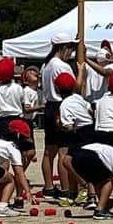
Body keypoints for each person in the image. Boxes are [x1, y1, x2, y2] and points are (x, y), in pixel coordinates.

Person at [40, 34, 77, 200]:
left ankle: (48, 187)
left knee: (49, 151)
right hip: (61, 105)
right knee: (64, 150)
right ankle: (66, 189)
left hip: (49, 106)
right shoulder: (62, 66)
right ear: (63, 48)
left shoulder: (46, 65)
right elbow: (75, 87)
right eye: (71, 48)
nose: (72, 52)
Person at [69, 139, 113, 218]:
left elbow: (66, 161)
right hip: (89, 156)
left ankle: (102, 204)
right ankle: (100, 210)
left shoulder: (111, 152)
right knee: (108, 182)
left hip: (77, 155)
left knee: (98, 180)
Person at [56, 70, 94, 205]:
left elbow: (68, 127)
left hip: (81, 133)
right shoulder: (78, 98)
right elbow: (90, 110)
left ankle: (84, 186)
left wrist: (60, 125)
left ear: (57, 89)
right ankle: (74, 192)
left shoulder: (64, 104)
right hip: (91, 128)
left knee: (67, 161)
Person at [0, 56, 24, 140]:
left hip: (1, 121)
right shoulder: (18, 88)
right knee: (15, 144)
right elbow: (23, 103)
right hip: (17, 120)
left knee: (1, 145)